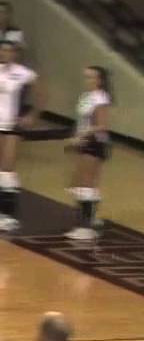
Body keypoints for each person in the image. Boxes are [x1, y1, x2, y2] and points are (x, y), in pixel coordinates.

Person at [0, 41, 44, 233]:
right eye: (2, 50)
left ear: (16, 54)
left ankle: (10, 215)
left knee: (6, 170)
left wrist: (32, 115)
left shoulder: (23, 73)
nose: (4, 53)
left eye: (9, 50)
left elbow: (41, 93)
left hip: (12, 125)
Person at [64, 66, 112, 241]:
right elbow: (81, 121)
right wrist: (75, 137)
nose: (88, 80)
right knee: (80, 183)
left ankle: (85, 229)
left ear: (100, 80)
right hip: (84, 142)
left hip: (94, 143)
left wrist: (82, 136)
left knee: (86, 184)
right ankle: (90, 219)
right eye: (87, 77)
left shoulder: (101, 98)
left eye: (92, 77)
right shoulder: (86, 96)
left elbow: (102, 125)